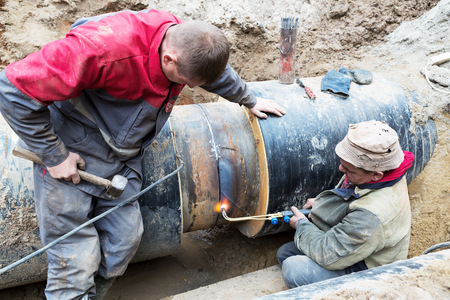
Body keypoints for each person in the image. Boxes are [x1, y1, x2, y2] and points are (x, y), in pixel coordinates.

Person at [0, 9, 285, 300]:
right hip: (74, 146)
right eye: (186, 82)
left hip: (121, 156)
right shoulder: (102, 50)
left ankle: (92, 294)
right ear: (168, 59)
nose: (191, 88)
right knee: (75, 259)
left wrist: (248, 99)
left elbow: (212, 69)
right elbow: (11, 89)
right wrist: (55, 155)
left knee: (125, 239)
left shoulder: (186, 42)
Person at [277, 120, 414, 288]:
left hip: (371, 271)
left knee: (295, 269)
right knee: (285, 253)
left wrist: (302, 224)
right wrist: (323, 204)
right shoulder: (387, 167)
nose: (341, 169)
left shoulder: (370, 216)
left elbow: (326, 254)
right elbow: (354, 197)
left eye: (350, 169)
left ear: (376, 175)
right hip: (364, 244)